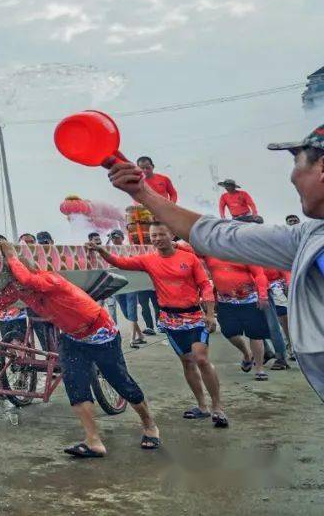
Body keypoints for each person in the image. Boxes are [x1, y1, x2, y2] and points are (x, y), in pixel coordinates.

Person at [107, 124, 324, 402]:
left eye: (297, 161)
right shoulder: (308, 237)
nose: (292, 175)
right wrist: (143, 194)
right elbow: (219, 235)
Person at [0, 239, 159, 457]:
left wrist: (11, 254)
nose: (17, 284)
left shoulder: (48, 279)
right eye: (13, 279)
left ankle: (149, 425)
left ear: (30, 267)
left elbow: (27, 278)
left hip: (100, 333)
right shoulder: (20, 288)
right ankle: (93, 441)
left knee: (121, 383)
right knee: (76, 388)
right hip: (72, 338)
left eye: (17, 274)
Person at [89, 226, 228, 427]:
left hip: (194, 317)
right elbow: (120, 262)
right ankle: (202, 406)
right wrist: (101, 251)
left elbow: (205, 285)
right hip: (170, 319)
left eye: (161, 234)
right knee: (187, 362)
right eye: (153, 236)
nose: (157, 239)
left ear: (172, 235)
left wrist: (209, 313)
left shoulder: (189, 259)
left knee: (201, 359)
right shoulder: (148, 260)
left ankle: (218, 408)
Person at [196, 251, 271, 380]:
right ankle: (247, 354)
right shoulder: (210, 251)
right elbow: (191, 248)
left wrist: (263, 295)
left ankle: (259, 369)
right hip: (226, 302)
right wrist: (175, 244)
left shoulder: (244, 252)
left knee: (256, 335)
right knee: (229, 332)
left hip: (250, 300)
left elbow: (259, 274)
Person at [262, 266, 292, 368]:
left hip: (277, 283)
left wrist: (289, 282)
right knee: (256, 321)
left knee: (283, 315)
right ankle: (266, 351)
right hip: (257, 285)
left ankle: (291, 346)